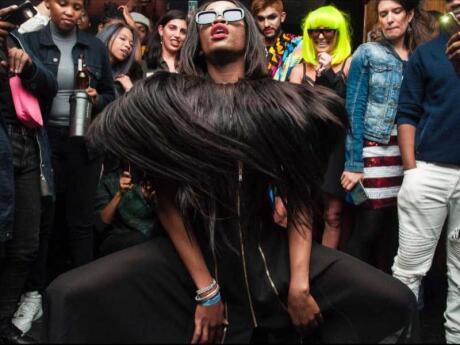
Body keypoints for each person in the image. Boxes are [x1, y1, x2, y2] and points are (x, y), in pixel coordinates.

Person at [45, 1, 417, 343]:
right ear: (197, 38)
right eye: (206, 17)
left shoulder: (279, 102)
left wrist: (300, 285)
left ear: (249, 32)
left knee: (394, 299)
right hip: (190, 252)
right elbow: (167, 199)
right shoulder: (170, 101)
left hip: (269, 252)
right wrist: (206, 290)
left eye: (231, 14)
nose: (218, 21)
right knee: (68, 295)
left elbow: (301, 195)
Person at [341, 0, 438, 271]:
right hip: (375, 150)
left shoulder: (421, 55)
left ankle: (384, 298)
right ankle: (348, 293)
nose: (389, 19)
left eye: (396, 12)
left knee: (395, 232)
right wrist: (353, 163)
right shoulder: (367, 53)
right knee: (368, 228)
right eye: (383, 14)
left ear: (409, 16)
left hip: (411, 155)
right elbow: (354, 110)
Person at [21, 0, 115, 272]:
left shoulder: (95, 47)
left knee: (80, 220)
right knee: (44, 219)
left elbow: (111, 95)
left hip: (84, 142)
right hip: (41, 141)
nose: (70, 12)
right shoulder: (29, 42)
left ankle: (80, 290)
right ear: (49, 4)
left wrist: (97, 100)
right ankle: (38, 291)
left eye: (76, 7)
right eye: (63, 3)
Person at [392, 0, 460, 342]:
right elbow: (407, 112)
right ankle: (400, 335)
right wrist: (411, 171)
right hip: (429, 170)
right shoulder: (427, 53)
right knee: (408, 269)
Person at [0, 2, 57, 343]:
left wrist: (30, 68)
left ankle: (4, 322)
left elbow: (49, 86)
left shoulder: (18, 41)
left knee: (25, 245)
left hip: (30, 147)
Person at [289, 5, 352, 249]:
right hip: (307, 148)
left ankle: (329, 269)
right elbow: (294, 115)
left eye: (329, 30)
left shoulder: (349, 64)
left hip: (337, 149)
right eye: (315, 31)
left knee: (333, 215)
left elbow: (345, 110)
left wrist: (327, 76)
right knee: (303, 212)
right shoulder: (299, 69)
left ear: (339, 34)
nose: (322, 36)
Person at [94, 167, 158, 256]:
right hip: (120, 235)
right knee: (141, 239)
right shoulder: (109, 181)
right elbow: (100, 224)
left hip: (149, 233)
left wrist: (152, 200)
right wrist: (119, 193)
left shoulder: (149, 179)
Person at [251, 0, 301, 80]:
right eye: (261, 19)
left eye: (272, 17)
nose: (266, 24)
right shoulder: (250, 47)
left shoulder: (296, 44)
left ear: (282, 17)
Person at [97, 22, 142, 95]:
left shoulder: (128, 76)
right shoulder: (90, 63)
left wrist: (130, 89)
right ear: (108, 37)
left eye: (131, 44)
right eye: (122, 39)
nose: (128, 45)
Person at [143, 9, 187, 74]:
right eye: (172, 28)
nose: (177, 35)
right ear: (161, 30)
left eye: (183, 31)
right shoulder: (145, 64)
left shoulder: (189, 67)